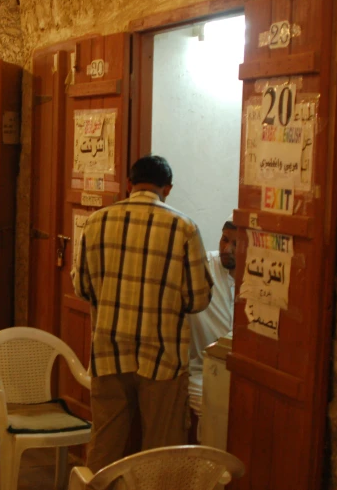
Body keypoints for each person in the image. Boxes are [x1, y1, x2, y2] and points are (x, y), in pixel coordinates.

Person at [72, 155, 213, 472]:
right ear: (168, 188)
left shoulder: (96, 222)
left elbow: (82, 288)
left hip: (108, 351)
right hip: (163, 357)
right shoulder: (184, 228)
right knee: (161, 451)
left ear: (129, 184)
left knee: (105, 443)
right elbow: (199, 299)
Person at [187, 217, 237, 437]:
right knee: (217, 413)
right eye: (224, 239)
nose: (227, 249)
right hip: (201, 372)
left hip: (240, 375)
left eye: (236, 244)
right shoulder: (202, 269)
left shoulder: (257, 277)